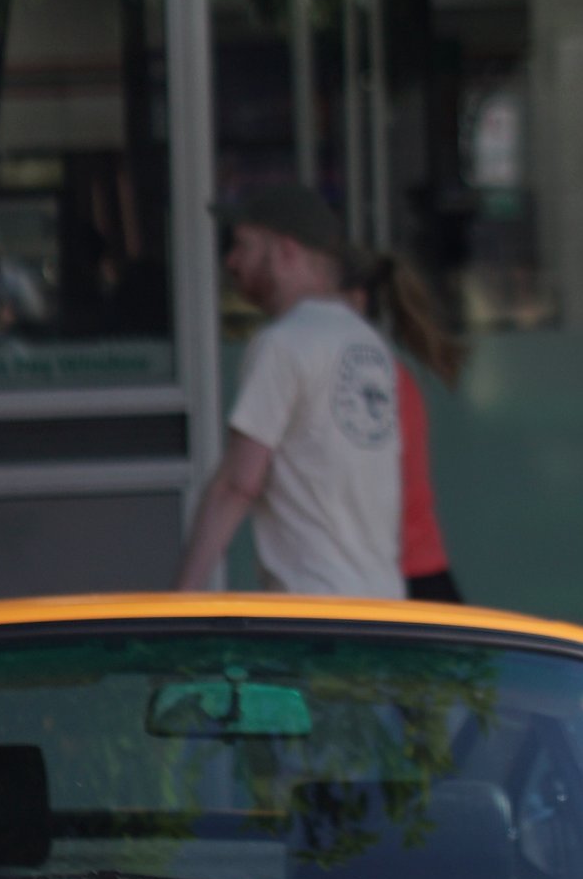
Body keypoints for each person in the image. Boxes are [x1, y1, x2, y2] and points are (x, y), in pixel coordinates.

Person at [173, 183, 403, 598]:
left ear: (285, 251)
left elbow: (238, 483)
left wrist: (181, 596)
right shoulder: (368, 345)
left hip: (314, 608)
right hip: (381, 603)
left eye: (243, 246)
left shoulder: (284, 342)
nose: (231, 262)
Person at [346, 245, 464, 600]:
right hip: (418, 566)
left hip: (399, 574)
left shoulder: (367, 380)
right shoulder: (395, 375)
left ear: (356, 299)